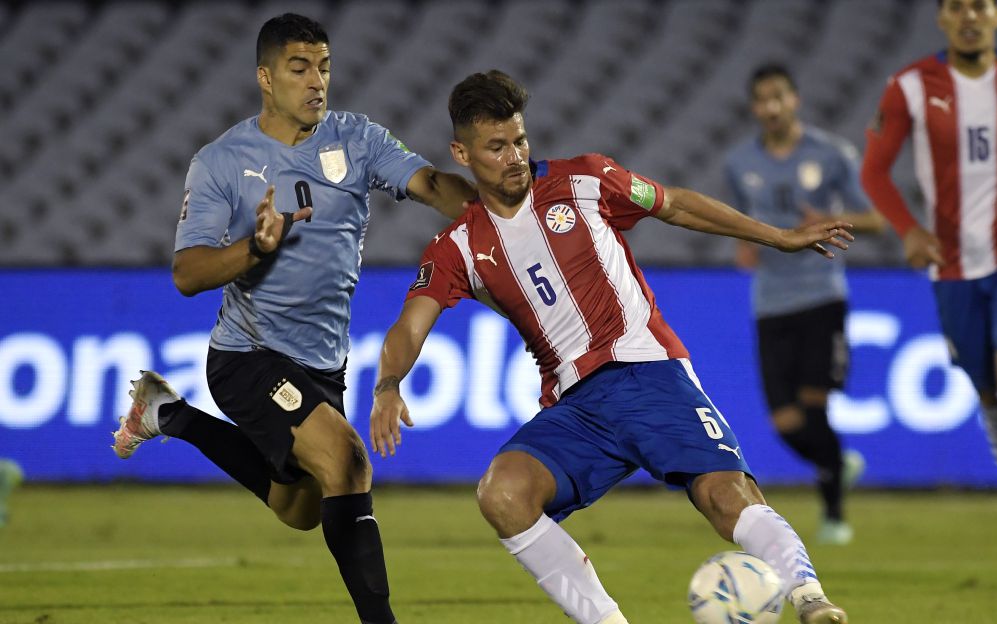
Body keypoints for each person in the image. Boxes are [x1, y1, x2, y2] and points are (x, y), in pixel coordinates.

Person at [370, 70, 854, 624]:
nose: (515, 157)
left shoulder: (586, 178)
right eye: (497, 147)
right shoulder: (458, 246)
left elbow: (675, 205)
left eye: (520, 141)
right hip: (576, 408)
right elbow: (410, 325)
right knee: (502, 492)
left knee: (724, 494)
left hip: (647, 371)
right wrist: (387, 385)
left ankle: (810, 599)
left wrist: (778, 236)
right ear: (462, 152)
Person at [110, 14, 476, 623]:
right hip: (247, 356)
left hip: (323, 363)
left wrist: (500, 205)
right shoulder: (222, 161)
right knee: (348, 460)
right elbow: (187, 273)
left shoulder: (357, 139)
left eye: (324, 68)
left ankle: (166, 414)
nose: (316, 82)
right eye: (299, 68)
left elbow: (432, 183)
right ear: (265, 77)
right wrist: (256, 248)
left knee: (299, 511)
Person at [861, 0, 997, 591]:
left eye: (979, 5)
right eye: (956, 7)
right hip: (953, 263)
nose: (969, 17)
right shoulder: (909, 88)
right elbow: (875, 171)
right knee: (990, 398)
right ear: (941, 18)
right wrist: (908, 229)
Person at [725, 64, 884, 546]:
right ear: (754, 107)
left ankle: (834, 516)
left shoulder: (831, 154)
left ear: (794, 100)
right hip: (770, 303)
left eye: (779, 97)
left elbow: (876, 219)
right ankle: (836, 463)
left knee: (815, 409)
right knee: (786, 423)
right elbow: (741, 219)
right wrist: (746, 243)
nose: (771, 107)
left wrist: (832, 219)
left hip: (820, 296)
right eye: (762, 99)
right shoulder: (738, 162)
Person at [0, 458, 22, 528]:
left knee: (1, 497)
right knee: (2, 497)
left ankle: (2, 519)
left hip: (9, 474)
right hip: (14, 471)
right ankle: (3, 516)